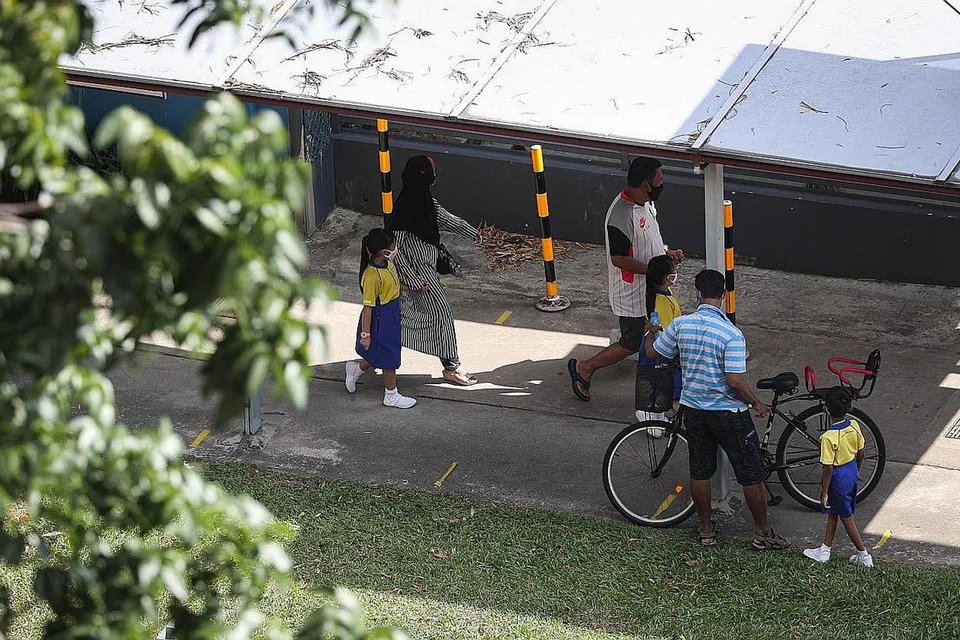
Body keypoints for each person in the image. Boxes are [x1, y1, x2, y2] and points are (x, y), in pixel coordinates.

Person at [645, 269, 789, 550]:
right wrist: (755, 403)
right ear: (723, 296)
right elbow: (734, 381)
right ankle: (762, 532)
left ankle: (707, 531)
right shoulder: (731, 334)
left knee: (700, 472)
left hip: (694, 410)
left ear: (697, 293)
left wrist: (651, 333)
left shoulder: (680, 325)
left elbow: (653, 353)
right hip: (729, 414)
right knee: (751, 474)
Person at [568, 156, 683, 401]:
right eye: (659, 180)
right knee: (631, 341)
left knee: (656, 331)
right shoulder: (621, 215)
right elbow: (619, 258)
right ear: (645, 185)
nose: (663, 183)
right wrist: (653, 271)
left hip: (651, 287)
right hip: (632, 292)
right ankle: (585, 368)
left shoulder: (647, 204)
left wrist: (666, 253)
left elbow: (649, 240)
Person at [386, 155, 480, 386]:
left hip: (427, 271)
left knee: (404, 317)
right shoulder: (402, 212)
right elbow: (394, 252)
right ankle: (451, 367)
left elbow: (451, 221)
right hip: (418, 275)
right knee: (441, 313)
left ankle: (372, 354)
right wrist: (414, 281)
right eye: (431, 173)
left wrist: (479, 236)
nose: (434, 177)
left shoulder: (427, 204)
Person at [345, 228, 417, 409]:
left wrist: (413, 289)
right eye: (391, 245)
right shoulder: (370, 277)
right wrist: (365, 334)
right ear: (382, 251)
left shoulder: (388, 263)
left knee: (381, 351)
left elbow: (394, 285)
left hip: (392, 311)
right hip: (380, 316)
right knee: (389, 356)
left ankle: (355, 370)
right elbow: (368, 308)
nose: (394, 247)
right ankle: (391, 395)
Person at [803, 387, 873, 567]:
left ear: (826, 409)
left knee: (846, 517)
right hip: (851, 470)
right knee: (834, 512)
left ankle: (863, 555)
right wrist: (856, 471)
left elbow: (828, 467)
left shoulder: (828, 437)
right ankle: (825, 550)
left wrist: (824, 492)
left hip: (838, 476)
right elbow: (862, 453)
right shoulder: (855, 425)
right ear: (849, 407)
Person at [635, 255, 682, 435]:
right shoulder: (662, 301)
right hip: (659, 349)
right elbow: (664, 329)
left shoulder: (661, 296)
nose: (676, 273)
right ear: (666, 277)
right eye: (673, 270)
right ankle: (647, 415)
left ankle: (658, 416)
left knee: (661, 384)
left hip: (659, 348)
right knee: (659, 384)